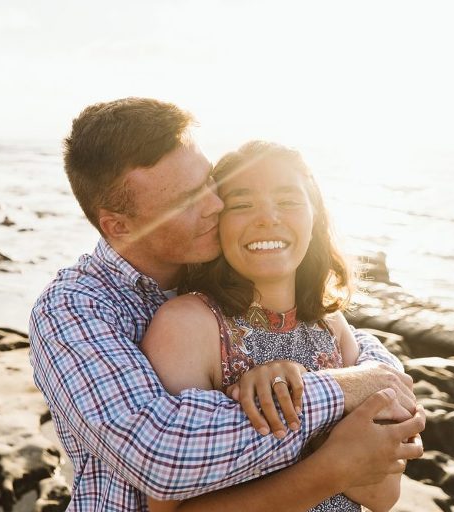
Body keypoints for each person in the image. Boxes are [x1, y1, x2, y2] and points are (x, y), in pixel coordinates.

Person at [29, 97, 425, 511]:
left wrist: (379, 378)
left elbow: (360, 356)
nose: (216, 206)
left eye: (209, 183)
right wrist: (338, 400)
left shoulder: (220, 271)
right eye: (187, 199)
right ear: (120, 226)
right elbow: (164, 455)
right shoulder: (74, 310)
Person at [140, 141, 406, 511]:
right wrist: (334, 458)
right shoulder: (187, 325)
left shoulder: (333, 325)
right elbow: (167, 509)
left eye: (288, 201)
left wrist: (313, 397)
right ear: (217, 223)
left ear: (315, 218)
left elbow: (382, 495)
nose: (267, 218)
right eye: (242, 205)